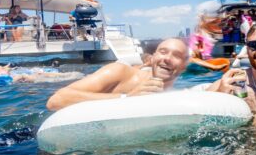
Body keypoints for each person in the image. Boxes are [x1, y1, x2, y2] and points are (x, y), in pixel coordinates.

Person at [46, 38, 188, 111]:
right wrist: (127, 97)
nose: (167, 58)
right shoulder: (120, 72)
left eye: (176, 55)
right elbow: (55, 101)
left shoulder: (175, 94)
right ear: (153, 58)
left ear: (184, 67)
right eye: (163, 52)